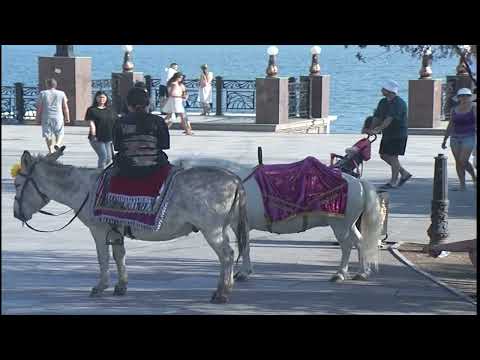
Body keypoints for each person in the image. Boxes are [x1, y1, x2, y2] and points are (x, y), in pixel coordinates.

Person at [112, 87, 170, 178]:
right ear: (148, 104)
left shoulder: (120, 122)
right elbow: (164, 145)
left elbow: (117, 147)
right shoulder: (158, 121)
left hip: (127, 168)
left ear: (128, 105)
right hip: (155, 167)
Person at [366, 80, 412, 189]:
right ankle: (404, 173)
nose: (381, 90)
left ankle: (393, 181)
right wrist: (371, 128)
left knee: (393, 156)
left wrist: (377, 130)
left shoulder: (398, 103)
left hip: (398, 134)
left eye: (384, 89)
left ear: (389, 91)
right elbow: (377, 117)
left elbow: (388, 119)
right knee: (384, 155)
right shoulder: (383, 102)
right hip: (388, 134)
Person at [441, 88, 477, 191]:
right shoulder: (454, 109)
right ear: (458, 98)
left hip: (469, 136)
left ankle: (474, 178)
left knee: (463, 160)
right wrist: (445, 138)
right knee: (458, 161)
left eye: (467, 95)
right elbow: (451, 124)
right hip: (455, 137)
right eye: (462, 96)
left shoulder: (474, 107)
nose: (465, 97)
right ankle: (462, 184)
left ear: (470, 97)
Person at [36, 78, 70, 153]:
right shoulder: (61, 93)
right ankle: (57, 144)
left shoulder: (43, 93)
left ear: (47, 85)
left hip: (46, 116)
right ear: (55, 85)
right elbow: (65, 107)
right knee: (60, 133)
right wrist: (67, 117)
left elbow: (39, 107)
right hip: (58, 116)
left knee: (47, 134)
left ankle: (51, 150)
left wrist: (37, 118)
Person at [85, 91, 117, 169]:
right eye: (99, 97)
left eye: (103, 97)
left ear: (106, 98)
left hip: (108, 137)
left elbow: (116, 122)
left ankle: (102, 171)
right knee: (103, 156)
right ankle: (99, 174)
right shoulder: (92, 110)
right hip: (97, 138)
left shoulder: (110, 109)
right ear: (96, 98)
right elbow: (91, 123)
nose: (101, 99)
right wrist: (93, 135)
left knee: (109, 158)